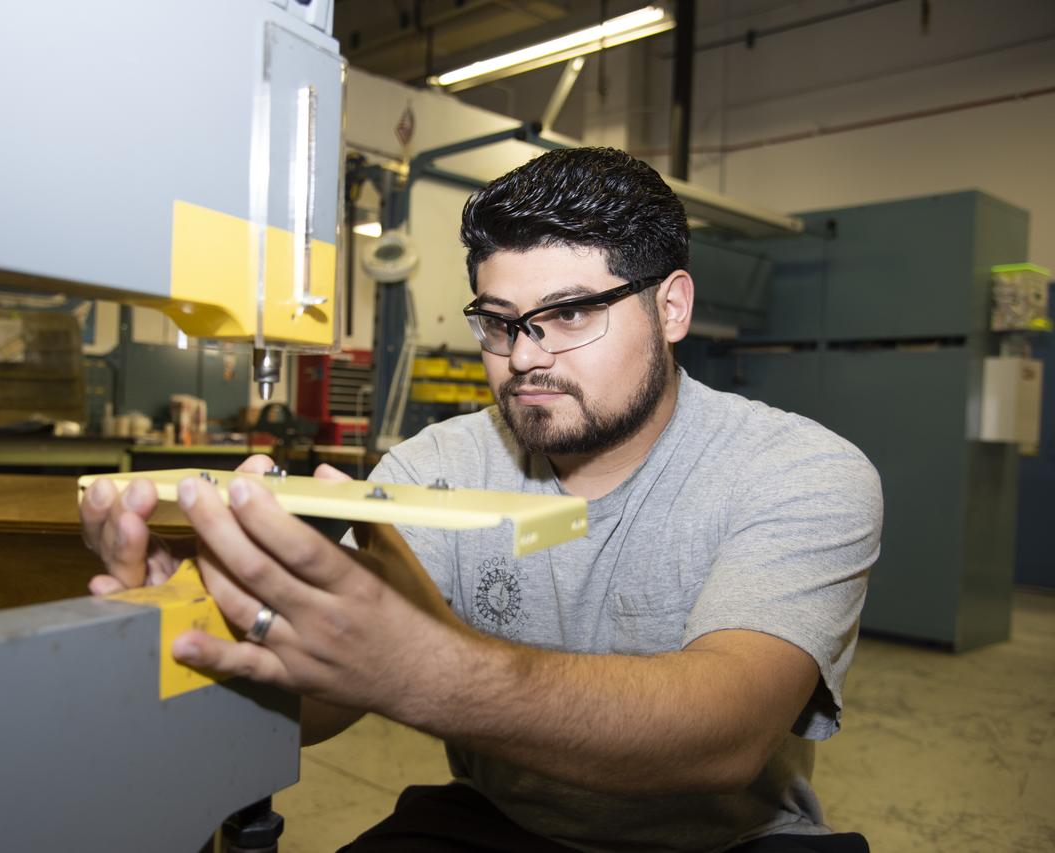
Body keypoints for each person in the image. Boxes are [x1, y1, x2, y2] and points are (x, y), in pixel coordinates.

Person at [81, 147, 882, 853]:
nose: (524, 358)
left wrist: (426, 670)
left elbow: (726, 734)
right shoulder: (436, 465)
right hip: (501, 824)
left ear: (671, 307)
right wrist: (197, 635)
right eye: (499, 324)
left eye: (568, 314)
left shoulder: (798, 470)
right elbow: (324, 700)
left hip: (729, 842)